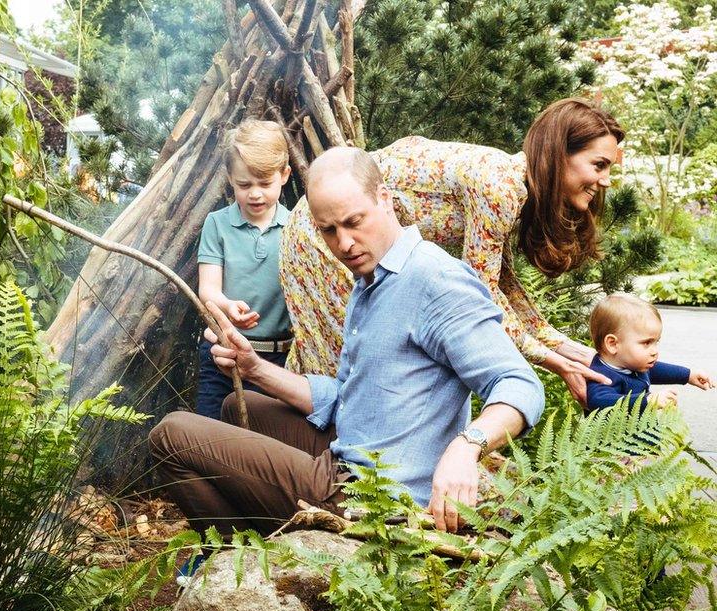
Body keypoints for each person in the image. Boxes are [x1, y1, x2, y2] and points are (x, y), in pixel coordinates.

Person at [150, 148, 544, 585]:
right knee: (235, 408)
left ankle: (243, 560)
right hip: (356, 448)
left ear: (386, 199)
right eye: (329, 230)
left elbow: (519, 384)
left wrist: (467, 446)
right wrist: (254, 367)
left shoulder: (435, 280)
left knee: (171, 435)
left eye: (354, 222)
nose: (345, 244)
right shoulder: (371, 281)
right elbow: (352, 395)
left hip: (373, 499)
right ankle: (259, 546)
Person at [280, 97, 623, 406]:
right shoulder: (499, 185)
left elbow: (503, 285)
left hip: (337, 231)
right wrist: (552, 361)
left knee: (339, 359)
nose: (605, 179)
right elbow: (482, 297)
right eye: (599, 164)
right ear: (560, 153)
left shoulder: (511, 184)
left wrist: (568, 349)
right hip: (321, 232)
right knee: (350, 367)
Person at [195, 120, 293, 419]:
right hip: (223, 353)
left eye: (265, 184)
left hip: (278, 359)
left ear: (285, 175)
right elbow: (208, 289)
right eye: (244, 185)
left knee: (264, 446)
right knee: (211, 438)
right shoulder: (217, 224)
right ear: (230, 179)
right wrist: (227, 306)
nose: (255, 194)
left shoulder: (296, 228)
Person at [586, 293, 713, 413]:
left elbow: (655, 370)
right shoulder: (602, 375)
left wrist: (688, 375)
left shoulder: (633, 365)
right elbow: (598, 402)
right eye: (646, 343)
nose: (655, 351)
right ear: (612, 344)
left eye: (656, 342)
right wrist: (647, 401)